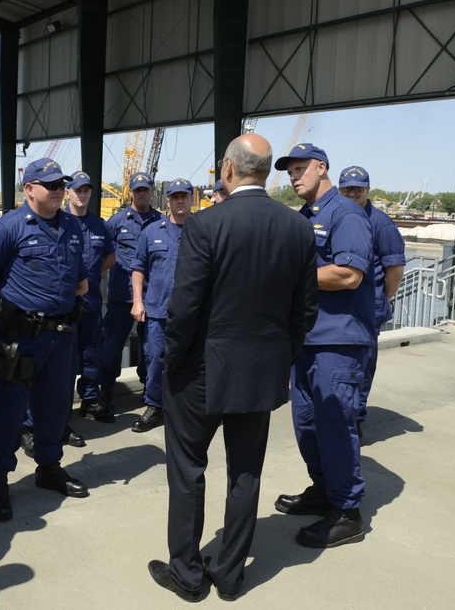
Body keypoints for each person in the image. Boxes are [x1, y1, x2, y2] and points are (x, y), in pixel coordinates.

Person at [148, 134, 318, 602]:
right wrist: (282, 358)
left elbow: (185, 307)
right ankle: (229, 574)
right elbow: (304, 312)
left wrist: (171, 360)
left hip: (200, 369)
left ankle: (187, 573)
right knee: (246, 473)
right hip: (261, 370)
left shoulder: (205, 224)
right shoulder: (298, 228)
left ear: (228, 169)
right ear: (265, 172)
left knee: (187, 471)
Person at [0, 158, 89, 522]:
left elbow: (81, 280)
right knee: (9, 409)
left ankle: (48, 467)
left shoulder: (71, 226)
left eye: (60, 185)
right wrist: (19, 309)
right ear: (29, 189)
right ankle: (0, 481)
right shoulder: (8, 227)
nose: (57, 190)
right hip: (20, 337)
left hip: (61, 336)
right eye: (50, 184)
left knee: (55, 405)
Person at [273, 143, 375, 548]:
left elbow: (349, 275)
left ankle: (347, 511)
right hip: (308, 339)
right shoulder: (306, 216)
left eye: (301, 169)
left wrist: (291, 277)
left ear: (322, 167)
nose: (295, 177)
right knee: (307, 425)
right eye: (290, 171)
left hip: (339, 340)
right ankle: (323, 489)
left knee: (334, 424)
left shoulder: (346, 214)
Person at [337, 166, 406, 438]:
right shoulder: (337, 217)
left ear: (368, 190)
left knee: (361, 368)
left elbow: (395, 273)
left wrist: (380, 302)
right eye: (347, 188)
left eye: (358, 188)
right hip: (338, 308)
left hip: (366, 312)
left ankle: (355, 419)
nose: (352, 193)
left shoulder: (381, 224)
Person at [129, 178, 193, 433]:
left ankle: (184, 408)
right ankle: (155, 406)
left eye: (184, 196)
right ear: (167, 200)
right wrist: (137, 301)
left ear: (191, 199)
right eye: (174, 196)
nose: (179, 201)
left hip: (191, 313)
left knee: (190, 362)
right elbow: (138, 268)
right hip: (157, 310)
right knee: (155, 360)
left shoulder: (201, 230)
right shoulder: (152, 231)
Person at [100, 172, 162, 411]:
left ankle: (149, 389)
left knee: (151, 347)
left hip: (152, 296)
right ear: (130, 193)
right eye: (138, 190)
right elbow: (104, 253)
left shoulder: (160, 221)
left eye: (146, 190)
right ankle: (105, 391)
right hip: (121, 295)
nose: (142, 194)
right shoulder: (117, 221)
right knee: (112, 346)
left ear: (152, 192)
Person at [66, 171, 116, 424]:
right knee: (64, 360)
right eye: (78, 190)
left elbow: (109, 257)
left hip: (92, 303)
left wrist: (91, 276)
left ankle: (89, 400)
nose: (82, 195)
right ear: (68, 193)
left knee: (91, 355)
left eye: (86, 190)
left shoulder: (99, 224)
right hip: (65, 306)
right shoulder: (60, 222)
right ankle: (62, 410)